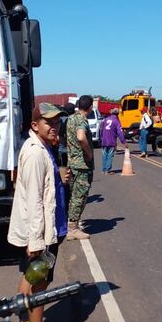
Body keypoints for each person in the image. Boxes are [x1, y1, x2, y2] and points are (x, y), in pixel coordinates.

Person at [7, 102, 72, 322]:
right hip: (40, 234)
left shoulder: (43, 148)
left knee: (29, 279)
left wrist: (59, 177)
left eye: (57, 122)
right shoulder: (35, 153)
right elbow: (34, 201)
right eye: (49, 122)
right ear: (35, 125)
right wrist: (36, 243)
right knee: (39, 285)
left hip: (42, 230)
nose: (55, 127)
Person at [65, 95, 95, 240]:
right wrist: (88, 153)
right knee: (79, 196)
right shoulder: (81, 120)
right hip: (82, 165)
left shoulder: (71, 118)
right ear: (90, 107)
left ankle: (71, 223)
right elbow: (81, 137)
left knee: (73, 195)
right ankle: (73, 229)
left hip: (73, 163)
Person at [100, 107, 126, 174]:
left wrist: (101, 138)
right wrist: (123, 141)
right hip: (111, 140)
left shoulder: (105, 120)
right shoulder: (116, 121)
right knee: (110, 155)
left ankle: (103, 169)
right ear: (117, 114)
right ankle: (108, 170)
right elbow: (120, 132)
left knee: (104, 155)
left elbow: (101, 130)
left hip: (104, 140)